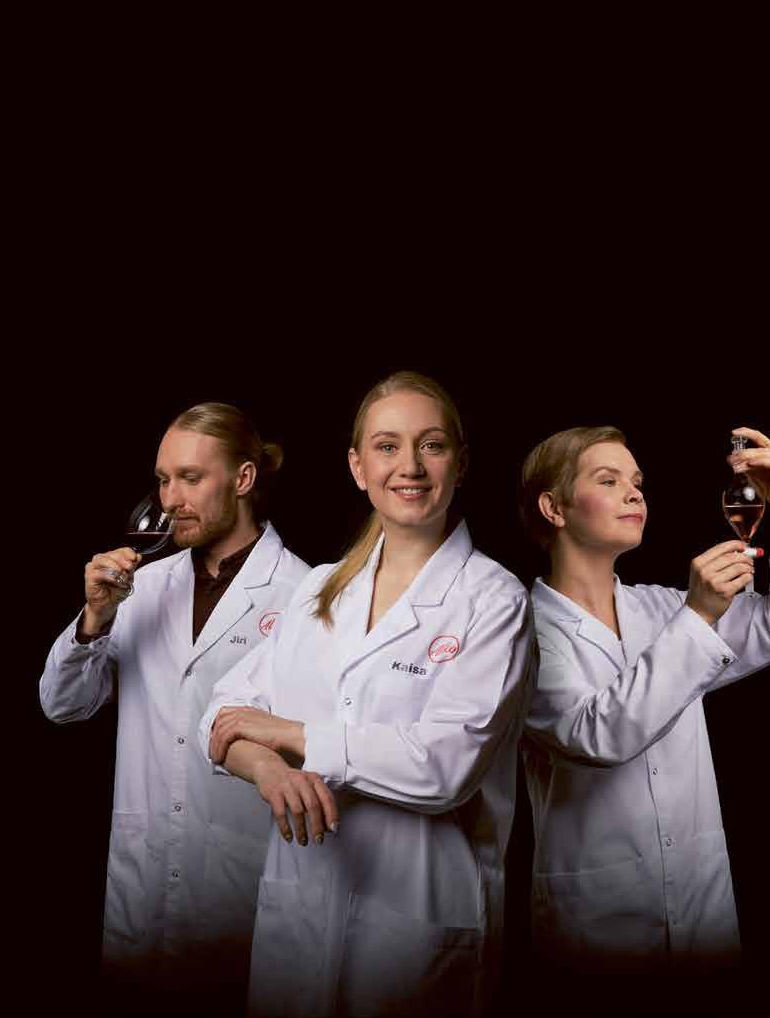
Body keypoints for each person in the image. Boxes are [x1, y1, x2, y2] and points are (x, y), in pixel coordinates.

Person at [197, 371, 537, 1018]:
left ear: (460, 463)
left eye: (431, 444)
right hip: (300, 906)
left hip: (417, 921)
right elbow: (222, 714)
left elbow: (443, 767)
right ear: (358, 467)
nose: (410, 465)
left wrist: (291, 735)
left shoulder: (493, 599)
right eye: (387, 446)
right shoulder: (319, 588)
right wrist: (269, 770)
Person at [519, 424, 770, 1012]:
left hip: (704, 913)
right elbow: (599, 734)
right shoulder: (523, 633)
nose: (634, 492)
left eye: (636, 481)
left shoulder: (662, 608)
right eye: (608, 480)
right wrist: (699, 616)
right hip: (598, 929)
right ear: (553, 508)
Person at [39, 403, 310, 1018]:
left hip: (244, 879)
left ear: (243, 479)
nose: (170, 500)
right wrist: (95, 618)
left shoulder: (303, 593)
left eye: (191, 478)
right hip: (143, 875)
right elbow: (62, 705)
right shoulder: (140, 587)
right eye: (163, 480)